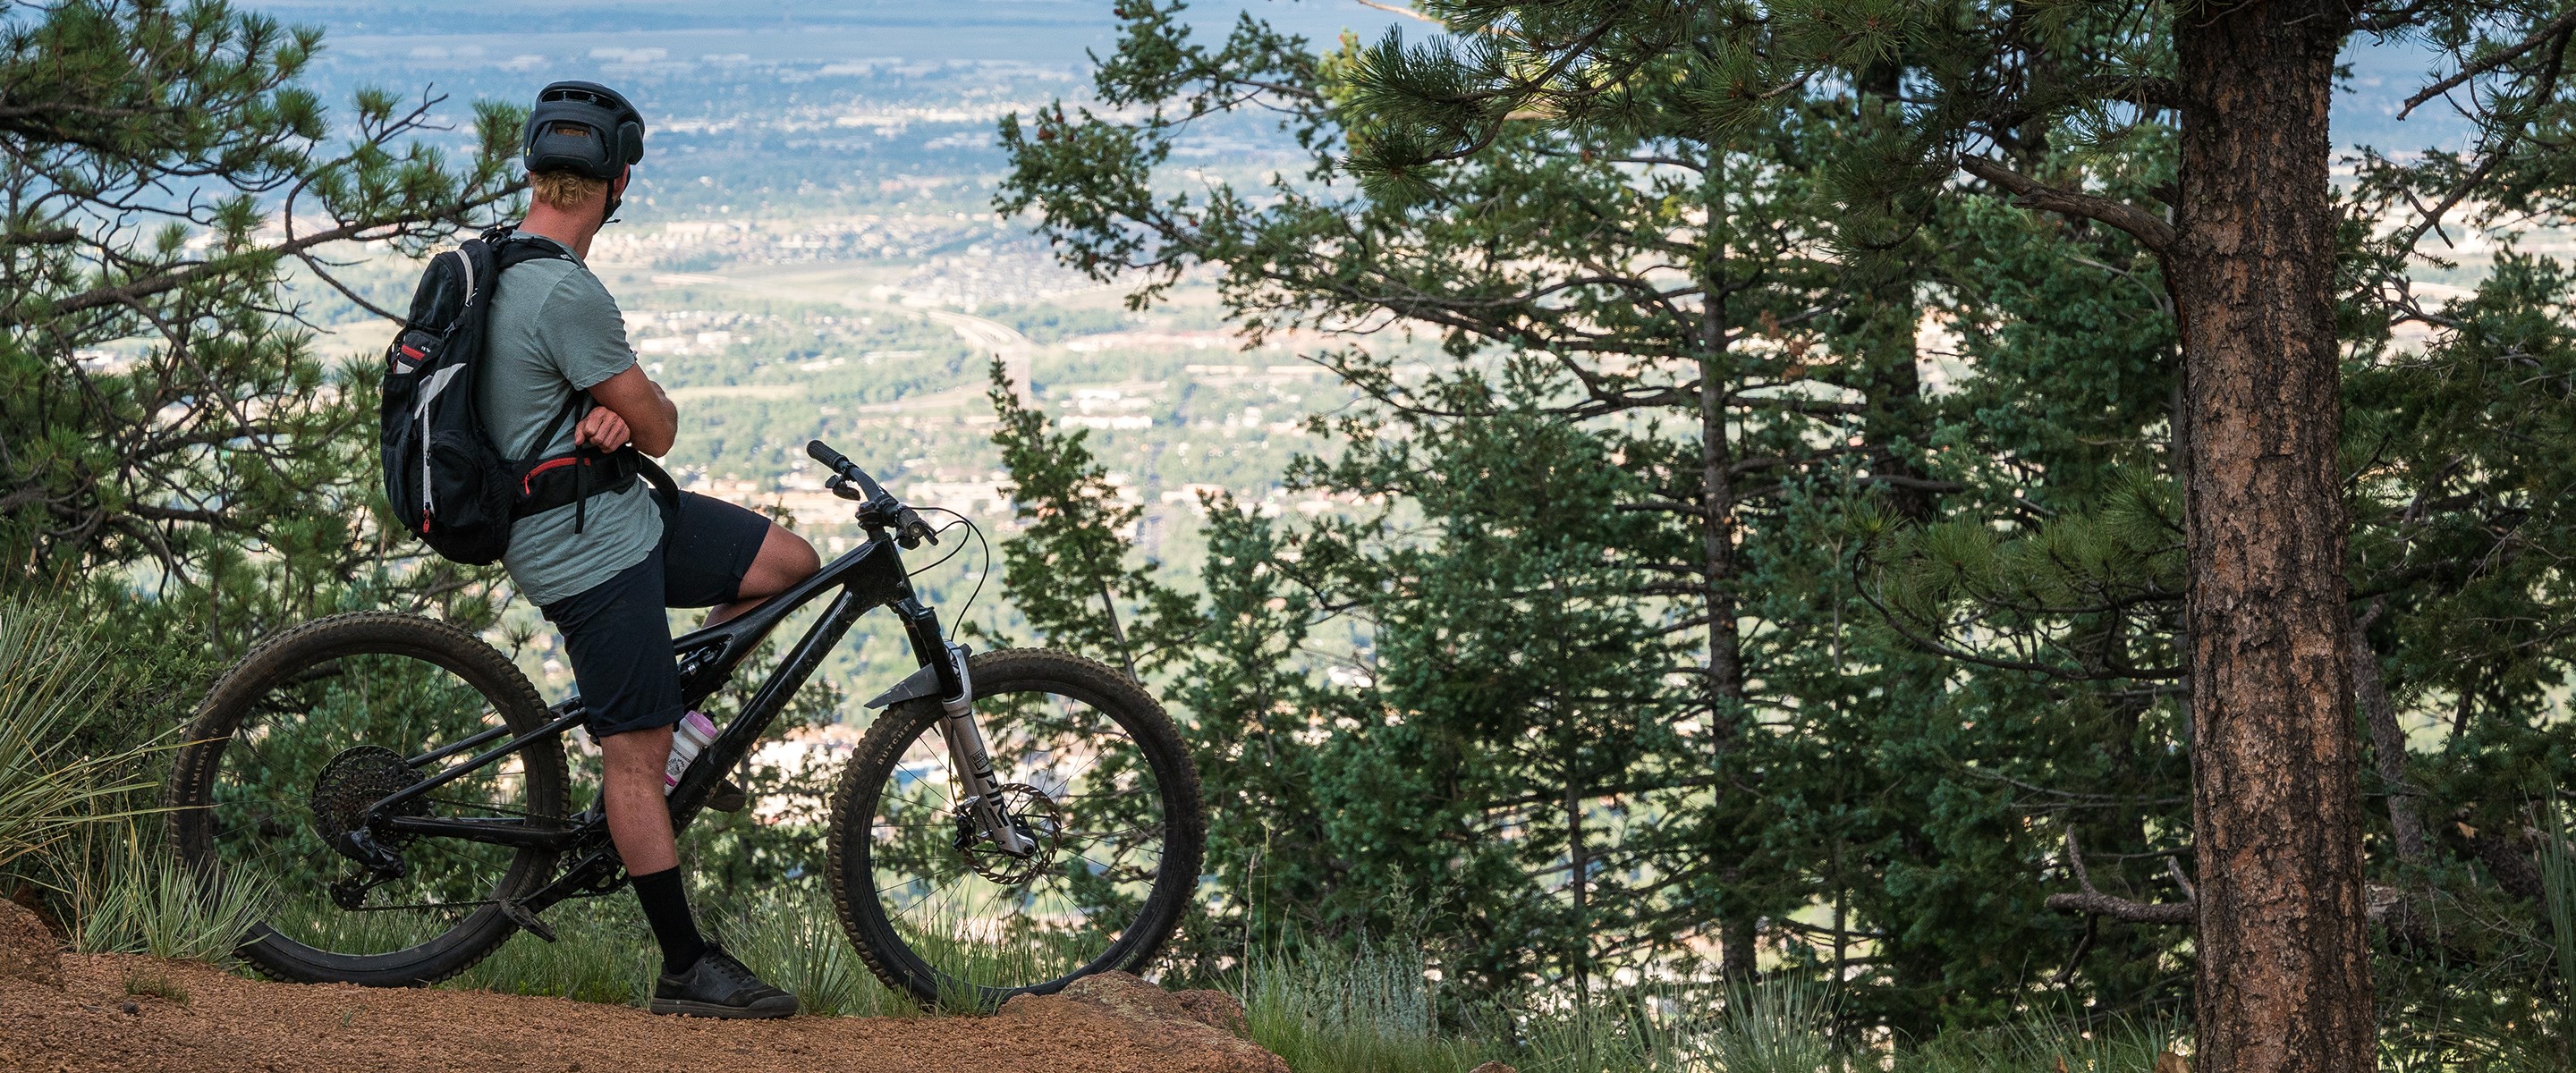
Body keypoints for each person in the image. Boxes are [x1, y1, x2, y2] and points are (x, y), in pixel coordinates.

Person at [480, 80, 820, 1018]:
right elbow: (661, 427)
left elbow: (555, 405)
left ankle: (679, 743)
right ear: (618, 182)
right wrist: (625, 416)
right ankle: (685, 967)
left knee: (786, 566)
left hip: (609, 508)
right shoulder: (565, 291)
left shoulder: (498, 261)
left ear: (538, 171)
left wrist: (590, 417)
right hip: (581, 543)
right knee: (631, 755)